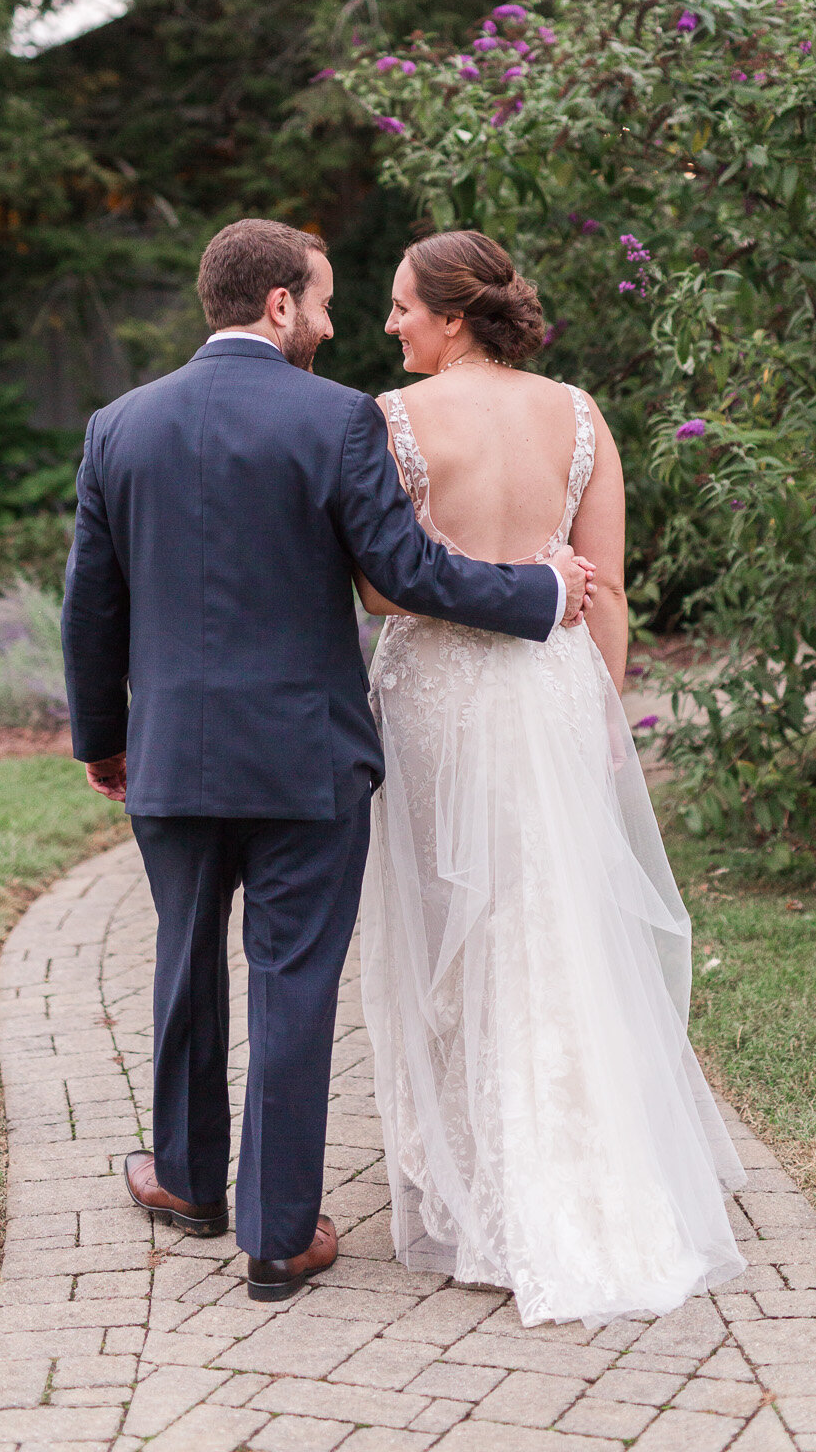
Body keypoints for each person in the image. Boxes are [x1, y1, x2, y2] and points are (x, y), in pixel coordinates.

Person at [61, 218, 594, 1303]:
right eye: (324, 300)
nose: (338, 320)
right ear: (276, 306)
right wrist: (541, 592)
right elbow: (409, 569)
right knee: (294, 983)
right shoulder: (337, 418)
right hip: (306, 761)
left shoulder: (119, 425)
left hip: (172, 759)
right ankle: (276, 1232)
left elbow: (90, 608)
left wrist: (103, 739)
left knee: (184, 960)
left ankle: (185, 1181)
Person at [357, 229, 746, 1327]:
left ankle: (481, 1176)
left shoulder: (395, 419)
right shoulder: (579, 413)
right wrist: (605, 715)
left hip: (438, 691)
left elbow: (385, 590)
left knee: (452, 923)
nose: (392, 326)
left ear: (450, 312)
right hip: (556, 684)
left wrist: (484, 578)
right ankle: (588, 1153)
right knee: (553, 916)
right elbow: (607, 586)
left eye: (400, 307)